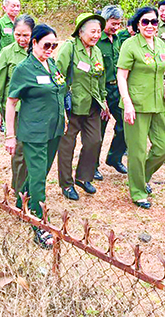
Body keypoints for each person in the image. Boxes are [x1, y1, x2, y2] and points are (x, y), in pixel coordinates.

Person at [4, 24, 66, 249]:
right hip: (34, 132)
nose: (50, 49)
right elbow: (11, 103)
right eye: (46, 45)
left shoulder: (51, 64)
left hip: (54, 130)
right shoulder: (24, 69)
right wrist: (10, 135)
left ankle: (23, 204)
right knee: (39, 178)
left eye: (54, 45)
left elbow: (59, 92)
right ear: (34, 44)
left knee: (40, 174)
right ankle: (40, 225)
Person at [117, 6, 165, 209]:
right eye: (145, 22)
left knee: (163, 147)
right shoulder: (130, 45)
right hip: (136, 104)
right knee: (137, 150)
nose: (150, 25)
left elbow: (164, 71)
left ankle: (142, 176)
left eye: (154, 21)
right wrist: (127, 103)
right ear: (138, 24)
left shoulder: (160, 44)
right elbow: (121, 76)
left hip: (158, 103)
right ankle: (138, 192)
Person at [56, 13, 109, 200]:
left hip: (93, 105)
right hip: (72, 106)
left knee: (95, 141)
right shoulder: (69, 49)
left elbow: (101, 78)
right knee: (67, 146)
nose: (96, 35)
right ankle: (67, 184)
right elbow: (58, 76)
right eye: (93, 32)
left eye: (99, 32)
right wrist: (60, 105)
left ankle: (83, 177)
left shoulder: (96, 51)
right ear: (80, 32)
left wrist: (104, 101)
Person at [0, 14, 35, 193]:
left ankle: (32, 186)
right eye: (18, 35)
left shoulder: (38, 50)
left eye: (26, 35)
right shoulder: (7, 52)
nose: (22, 39)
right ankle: (18, 190)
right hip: (15, 109)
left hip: (35, 109)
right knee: (19, 151)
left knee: (33, 150)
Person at [96, 5, 128, 175]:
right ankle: (92, 166)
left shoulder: (117, 40)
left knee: (125, 124)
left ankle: (115, 158)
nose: (116, 27)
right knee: (98, 131)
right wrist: (101, 99)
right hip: (101, 90)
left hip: (117, 88)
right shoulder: (96, 41)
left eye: (118, 24)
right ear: (104, 21)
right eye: (113, 23)